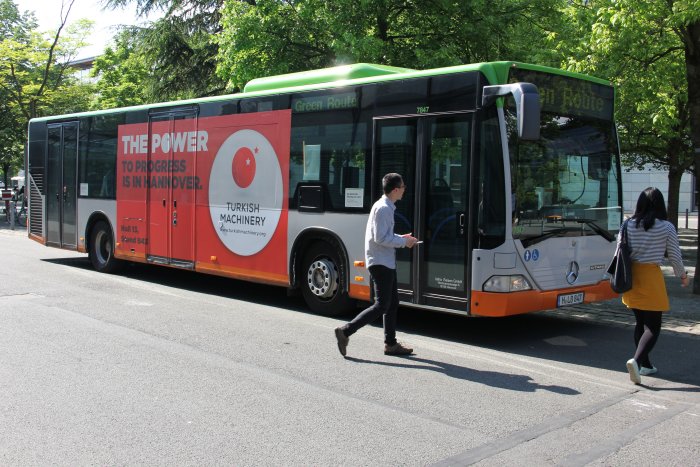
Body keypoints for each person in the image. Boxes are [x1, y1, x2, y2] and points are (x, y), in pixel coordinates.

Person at [334, 173, 418, 357]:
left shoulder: (385, 206)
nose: (404, 189)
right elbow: (380, 238)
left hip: (384, 261)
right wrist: (404, 242)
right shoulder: (383, 208)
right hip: (381, 262)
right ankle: (345, 331)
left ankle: (390, 344)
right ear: (395, 190)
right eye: (402, 187)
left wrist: (402, 238)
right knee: (382, 305)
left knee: (392, 303)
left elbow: (384, 235)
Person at [622, 187, 689, 384]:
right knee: (653, 326)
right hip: (651, 276)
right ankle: (636, 361)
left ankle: (646, 365)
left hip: (632, 277)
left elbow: (620, 251)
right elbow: (674, 255)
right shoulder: (666, 227)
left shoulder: (627, 224)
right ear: (660, 204)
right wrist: (683, 275)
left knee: (640, 322)